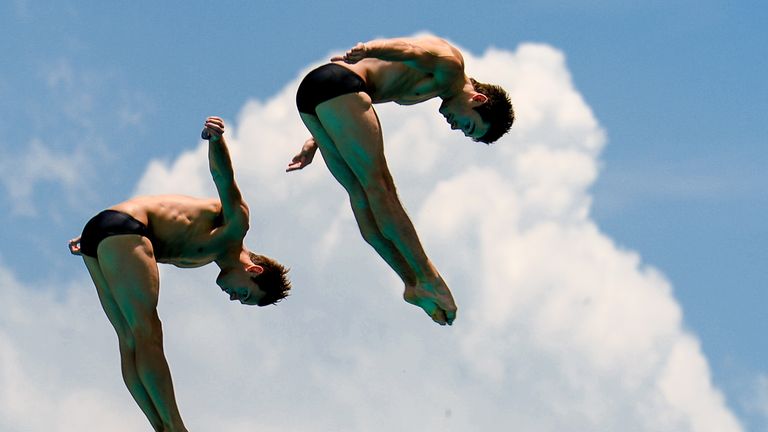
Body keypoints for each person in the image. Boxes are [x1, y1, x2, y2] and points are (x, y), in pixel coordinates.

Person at [68, 116, 291, 432]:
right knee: (147, 331)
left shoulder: (200, 259)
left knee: (129, 337)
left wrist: (103, 242)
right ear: (253, 271)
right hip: (125, 226)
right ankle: (176, 426)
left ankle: (161, 426)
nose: (233, 297)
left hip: (101, 236)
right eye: (245, 294)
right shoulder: (235, 226)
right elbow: (223, 178)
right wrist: (216, 140)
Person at [287, 35, 514, 326]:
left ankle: (412, 282)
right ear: (478, 99)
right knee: (380, 188)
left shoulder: (437, 86)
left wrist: (316, 140)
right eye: (468, 124)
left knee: (360, 192)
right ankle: (428, 276)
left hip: (319, 97)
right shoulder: (451, 66)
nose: (456, 126)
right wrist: (370, 48)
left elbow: (353, 110)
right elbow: (410, 49)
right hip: (339, 84)